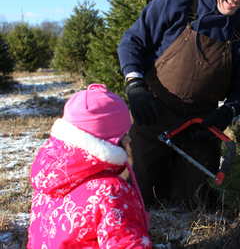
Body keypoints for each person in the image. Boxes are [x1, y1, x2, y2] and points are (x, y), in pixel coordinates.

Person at [118, 0, 240, 209]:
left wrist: (225, 113)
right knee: (139, 196)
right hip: (153, 115)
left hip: (200, 126)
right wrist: (135, 85)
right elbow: (132, 42)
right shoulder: (178, 4)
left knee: (196, 202)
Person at [27, 84, 151, 249]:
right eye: (123, 135)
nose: (129, 140)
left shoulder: (48, 179)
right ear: (105, 139)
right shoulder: (111, 191)